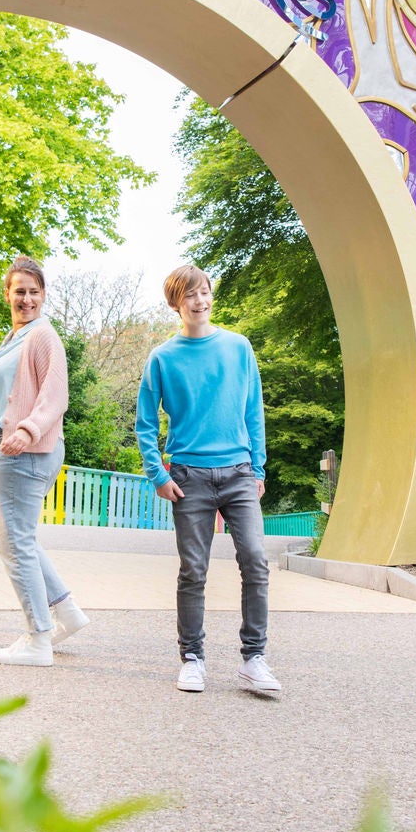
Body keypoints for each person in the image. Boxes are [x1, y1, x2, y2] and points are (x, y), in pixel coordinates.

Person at [135, 264, 279, 697]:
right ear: (176, 304)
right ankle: (192, 658)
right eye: (190, 295)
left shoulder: (238, 347)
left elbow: (254, 410)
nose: (199, 301)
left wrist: (258, 468)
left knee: (255, 559)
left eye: (204, 292)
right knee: (193, 571)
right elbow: (144, 422)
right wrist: (156, 474)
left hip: (238, 473)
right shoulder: (163, 357)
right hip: (188, 477)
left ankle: (254, 658)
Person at [0, 255, 89, 667]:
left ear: (43, 295)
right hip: (20, 451)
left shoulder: (43, 336)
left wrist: (26, 429)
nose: (26, 299)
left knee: (14, 546)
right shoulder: (15, 339)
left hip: (29, 451)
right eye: (19, 291)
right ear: (7, 294)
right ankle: (66, 613)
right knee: (22, 540)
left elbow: (55, 396)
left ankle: (38, 638)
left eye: (33, 292)